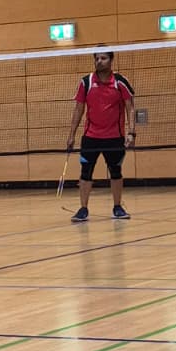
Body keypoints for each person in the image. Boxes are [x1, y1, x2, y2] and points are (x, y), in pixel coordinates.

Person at [64, 50, 136, 222]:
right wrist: (71, 135)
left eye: (103, 58)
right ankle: (83, 209)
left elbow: (130, 107)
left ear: (111, 60)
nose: (99, 61)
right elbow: (78, 109)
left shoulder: (120, 81)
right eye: (97, 58)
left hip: (114, 137)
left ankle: (117, 207)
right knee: (85, 172)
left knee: (116, 172)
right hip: (91, 137)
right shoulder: (86, 82)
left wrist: (131, 132)